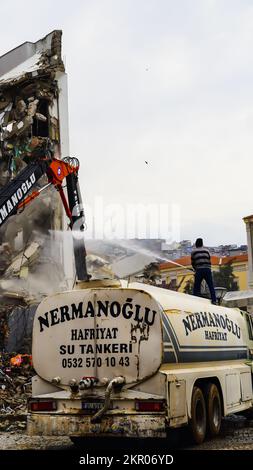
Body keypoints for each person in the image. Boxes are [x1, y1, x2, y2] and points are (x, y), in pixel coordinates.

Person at [191, 238, 217, 304]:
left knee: (196, 286)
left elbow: (193, 262)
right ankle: (214, 300)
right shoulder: (206, 251)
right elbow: (209, 260)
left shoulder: (194, 252)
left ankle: (195, 300)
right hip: (207, 269)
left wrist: (195, 269)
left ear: (196, 244)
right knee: (211, 285)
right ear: (202, 244)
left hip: (199, 270)